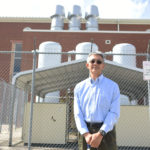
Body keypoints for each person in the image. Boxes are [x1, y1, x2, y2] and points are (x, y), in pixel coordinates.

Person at [74, 51, 120, 150]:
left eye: (99, 62)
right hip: (85, 132)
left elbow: (114, 113)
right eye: (92, 61)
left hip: (106, 132)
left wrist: (100, 134)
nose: (95, 63)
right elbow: (78, 113)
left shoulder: (113, 86)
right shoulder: (79, 87)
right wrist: (86, 134)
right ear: (87, 65)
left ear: (103, 66)